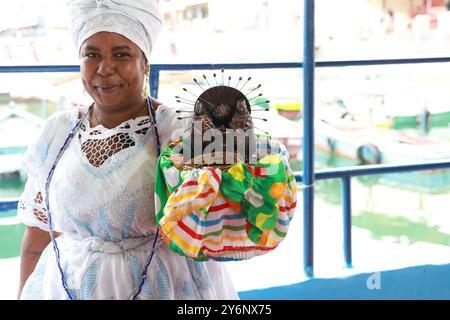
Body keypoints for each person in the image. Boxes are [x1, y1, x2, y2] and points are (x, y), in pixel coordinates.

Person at [17, 0, 238, 300]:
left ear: (145, 62)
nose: (104, 68)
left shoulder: (182, 132)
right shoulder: (56, 132)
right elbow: (38, 234)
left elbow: (220, 222)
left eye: (121, 54)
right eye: (91, 54)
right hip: (61, 287)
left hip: (165, 287)